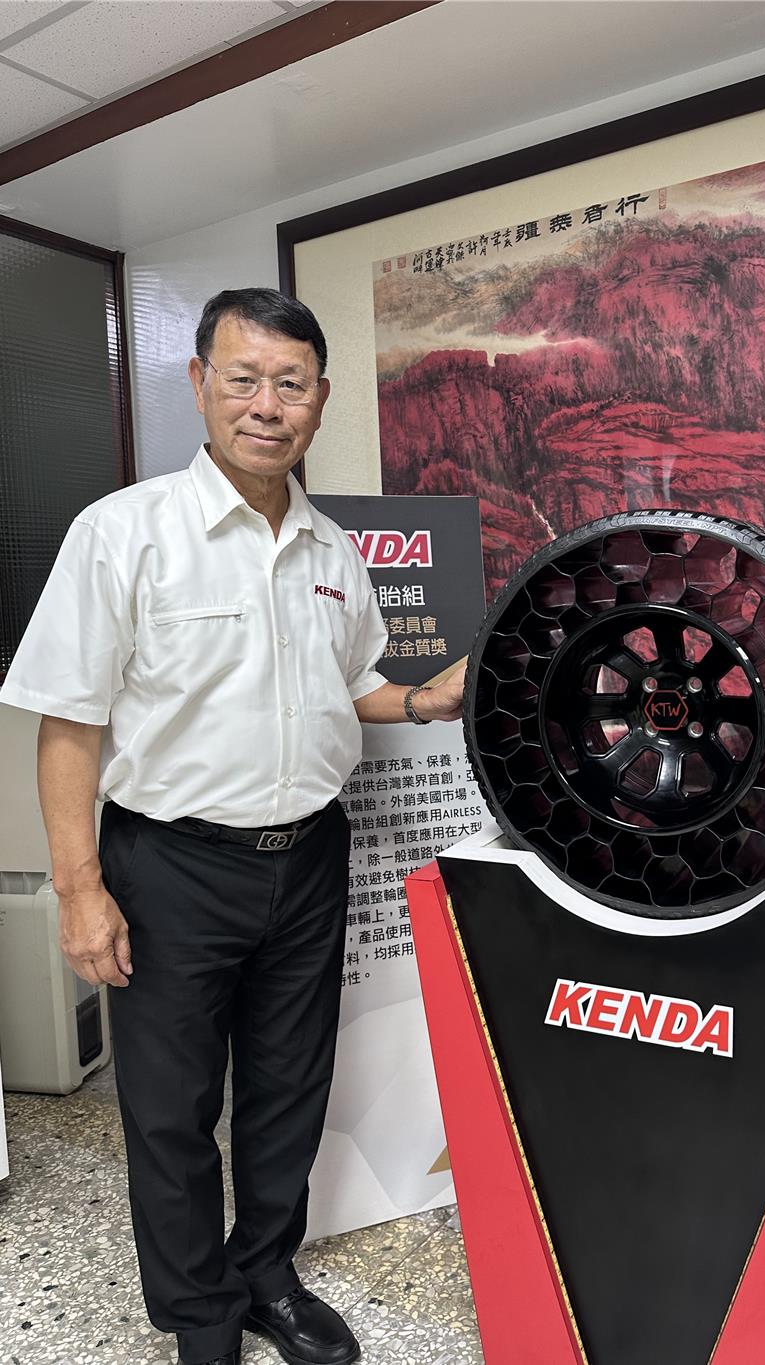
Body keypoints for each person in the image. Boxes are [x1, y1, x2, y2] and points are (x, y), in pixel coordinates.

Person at [0, 287, 466, 1365]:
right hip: (169, 865)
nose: (267, 405)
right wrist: (79, 888)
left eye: (289, 383)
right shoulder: (124, 532)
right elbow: (69, 726)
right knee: (169, 1110)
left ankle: (267, 1275)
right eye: (244, 379)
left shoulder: (333, 551)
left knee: (288, 1087)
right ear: (201, 384)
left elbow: (351, 687)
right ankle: (200, 1318)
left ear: (320, 398)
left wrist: (422, 697)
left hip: (308, 856)